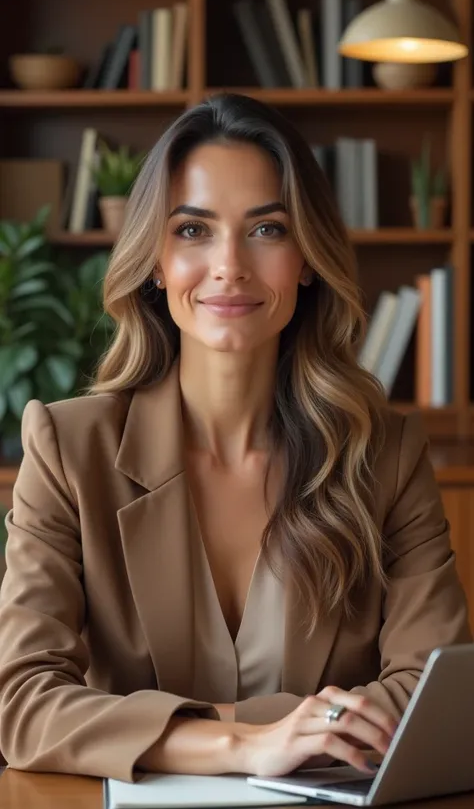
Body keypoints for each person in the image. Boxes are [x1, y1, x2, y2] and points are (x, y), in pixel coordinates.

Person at [0, 93, 470, 783]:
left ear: (307, 258)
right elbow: (22, 704)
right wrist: (246, 743)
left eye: (267, 229)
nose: (229, 265)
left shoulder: (385, 454)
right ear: (155, 260)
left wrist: (148, 722)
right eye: (193, 230)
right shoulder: (70, 450)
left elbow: (434, 696)